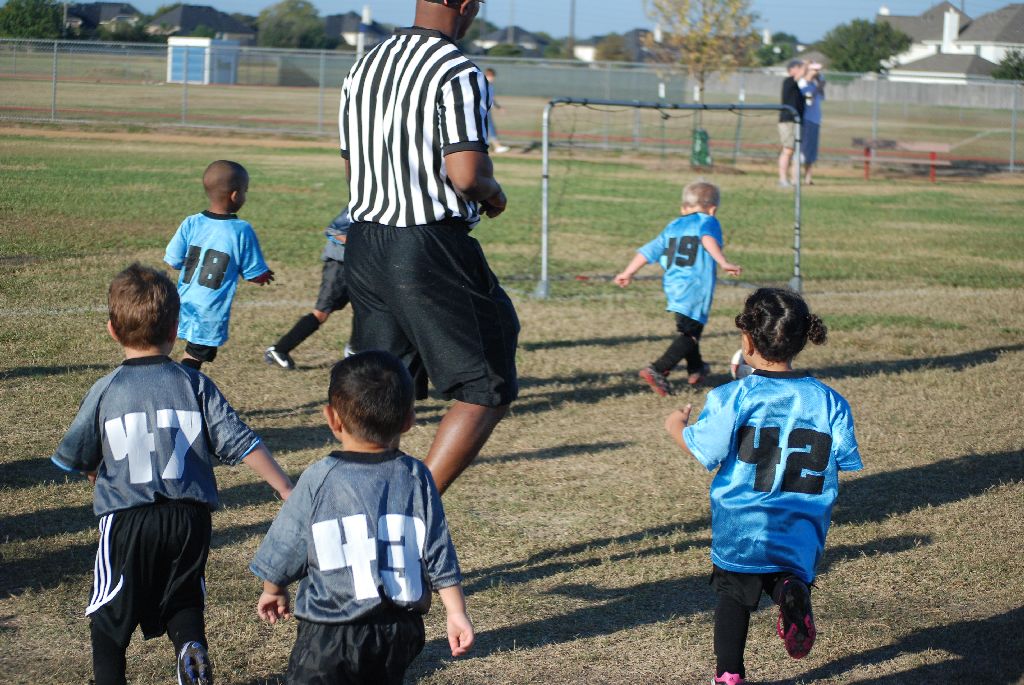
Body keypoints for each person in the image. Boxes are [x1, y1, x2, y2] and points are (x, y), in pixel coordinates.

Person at [50, 263, 293, 685]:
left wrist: (98, 477)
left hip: (128, 517)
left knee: (109, 614)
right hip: (189, 517)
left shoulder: (106, 389)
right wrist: (286, 487)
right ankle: (190, 652)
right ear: (176, 329)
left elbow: (79, 454)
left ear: (112, 330)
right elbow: (240, 441)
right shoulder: (194, 384)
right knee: (183, 599)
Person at [339, 0, 519, 495]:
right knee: (487, 384)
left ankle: (359, 501)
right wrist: (494, 192)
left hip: (366, 240)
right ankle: (414, 502)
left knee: (378, 392)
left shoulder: (364, 65)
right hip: (426, 242)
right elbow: (466, 174)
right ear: (466, 5)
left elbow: (353, 167)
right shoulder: (458, 69)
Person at [664, 287, 863, 685]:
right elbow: (843, 458)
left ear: (747, 340)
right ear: (803, 338)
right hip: (801, 525)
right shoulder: (831, 401)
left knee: (733, 595)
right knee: (782, 574)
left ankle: (729, 675)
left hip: (744, 522)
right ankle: (789, 590)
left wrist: (676, 428)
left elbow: (706, 450)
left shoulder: (732, 396)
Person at [250, 351, 474, 684]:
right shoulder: (417, 477)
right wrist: (456, 612)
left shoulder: (319, 477)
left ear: (332, 418)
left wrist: (273, 587)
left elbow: (287, 540)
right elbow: (438, 549)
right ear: (409, 419)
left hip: (330, 631)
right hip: (400, 630)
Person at [614, 181, 742, 397]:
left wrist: (628, 272)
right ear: (712, 209)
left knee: (689, 329)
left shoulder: (673, 225)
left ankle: (696, 368)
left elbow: (649, 250)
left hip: (673, 285)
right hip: (695, 287)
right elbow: (707, 239)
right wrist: (722, 261)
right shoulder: (708, 221)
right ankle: (657, 369)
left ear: (684, 208)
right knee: (690, 335)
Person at [164, 160, 274, 371]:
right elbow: (254, 273)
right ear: (235, 195)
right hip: (209, 311)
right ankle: (181, 384)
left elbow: (174, 260)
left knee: (172, 346)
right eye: (245, 191)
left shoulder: (191, 222)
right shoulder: (241, 230)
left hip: (182, 302)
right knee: (195, 356)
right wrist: (264, 276)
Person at [265, 207, 353, 370]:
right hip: (339, 265)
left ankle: (356, 350)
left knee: (366, 310)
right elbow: (334, 230)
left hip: (362, 265)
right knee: (321, 312)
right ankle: (279, 349)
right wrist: (361, 246)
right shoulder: (363, 202)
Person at [777, 60, 806, 188]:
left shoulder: (797, 85)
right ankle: (783, 179)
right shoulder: (789, 81)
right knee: (788, 150)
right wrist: (806, 64)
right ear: (792, 69)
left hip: (796, 121)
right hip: (788, 120)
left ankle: (794, 180)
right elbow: (801, 74)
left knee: (795, 151)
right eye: (798, 67)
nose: (801, 70)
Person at [798, 62, 826, 185]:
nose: (816, 73)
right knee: (802, 150)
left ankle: (808, 178)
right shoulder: (802, 83)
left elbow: (821, 96)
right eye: (814, 70)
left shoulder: (815, 84)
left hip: (815, 120)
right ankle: (795, 177)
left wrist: (820, 84)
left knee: (811, 151)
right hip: (806, 119)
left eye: (817, 71)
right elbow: (808, 99)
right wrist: (818, 86)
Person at [484, 68, 511, 154]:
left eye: (493, 76)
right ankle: (497, 146)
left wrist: (499, 107)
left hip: (486, 109)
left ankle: (489, 145)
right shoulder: (483, 84)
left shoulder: (489, 85)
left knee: (486, 127)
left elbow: (491, 99)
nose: (492, 78)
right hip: (484, 109)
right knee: (490, 127)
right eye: (490, 76)